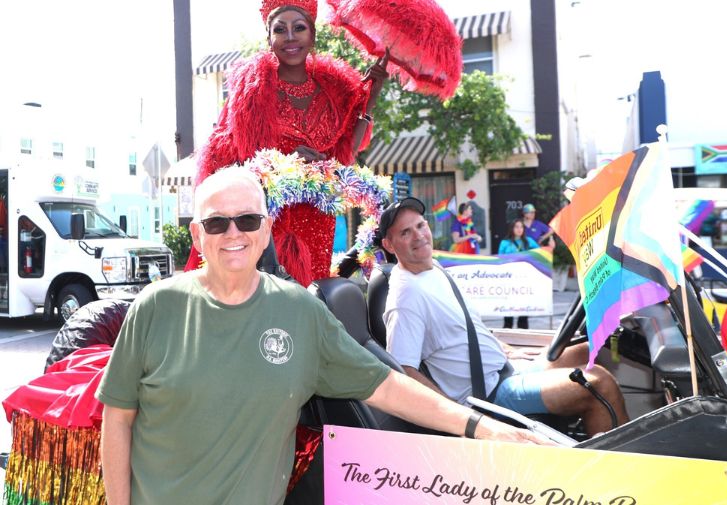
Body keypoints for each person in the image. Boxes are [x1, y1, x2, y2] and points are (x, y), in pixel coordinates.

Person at [97, 167, 550, 505]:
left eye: (248, 220)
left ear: (266, 229)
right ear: (197, 234)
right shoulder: (155, 307)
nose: (233, 234)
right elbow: (117, 420)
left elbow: (387, 386)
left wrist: (481, 426)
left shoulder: (300, 312)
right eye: (217, 223)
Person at [379, 197, 629, 437]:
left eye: (420, 225)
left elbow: (468, 329)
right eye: (405, 233)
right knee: (600, 385)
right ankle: (624, 473)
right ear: (389, 245)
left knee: (589, 349)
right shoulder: (405, 298)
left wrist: (507, 350)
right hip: (488, 396)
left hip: (505, 369)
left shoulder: (432, 268)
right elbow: (404, 371)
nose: (419, 235)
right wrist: (459, 418)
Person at [185, 0, 389, 286]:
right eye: (280, 30)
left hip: (317, 218)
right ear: (270, 40)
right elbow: (230, 167)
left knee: (311, 301)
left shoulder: (335, 91)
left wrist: (373, 94)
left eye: (299, 28)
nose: (290, 37)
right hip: (267, 222)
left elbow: (345, 155)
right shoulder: (250, 94)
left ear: (312, 36)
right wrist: (284, 161)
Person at [498, 219, 538, 329]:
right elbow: (499, 260)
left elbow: (540, 254)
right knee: (508, 306)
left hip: (524, 279)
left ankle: (523, 330)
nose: (519, 229)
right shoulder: (505, 243)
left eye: (521, 227)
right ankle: (507, 328)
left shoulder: (529, 241)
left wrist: (550, 247)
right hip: (509, 279)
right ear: (512, 228)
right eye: (517, 227)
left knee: (524, 307)